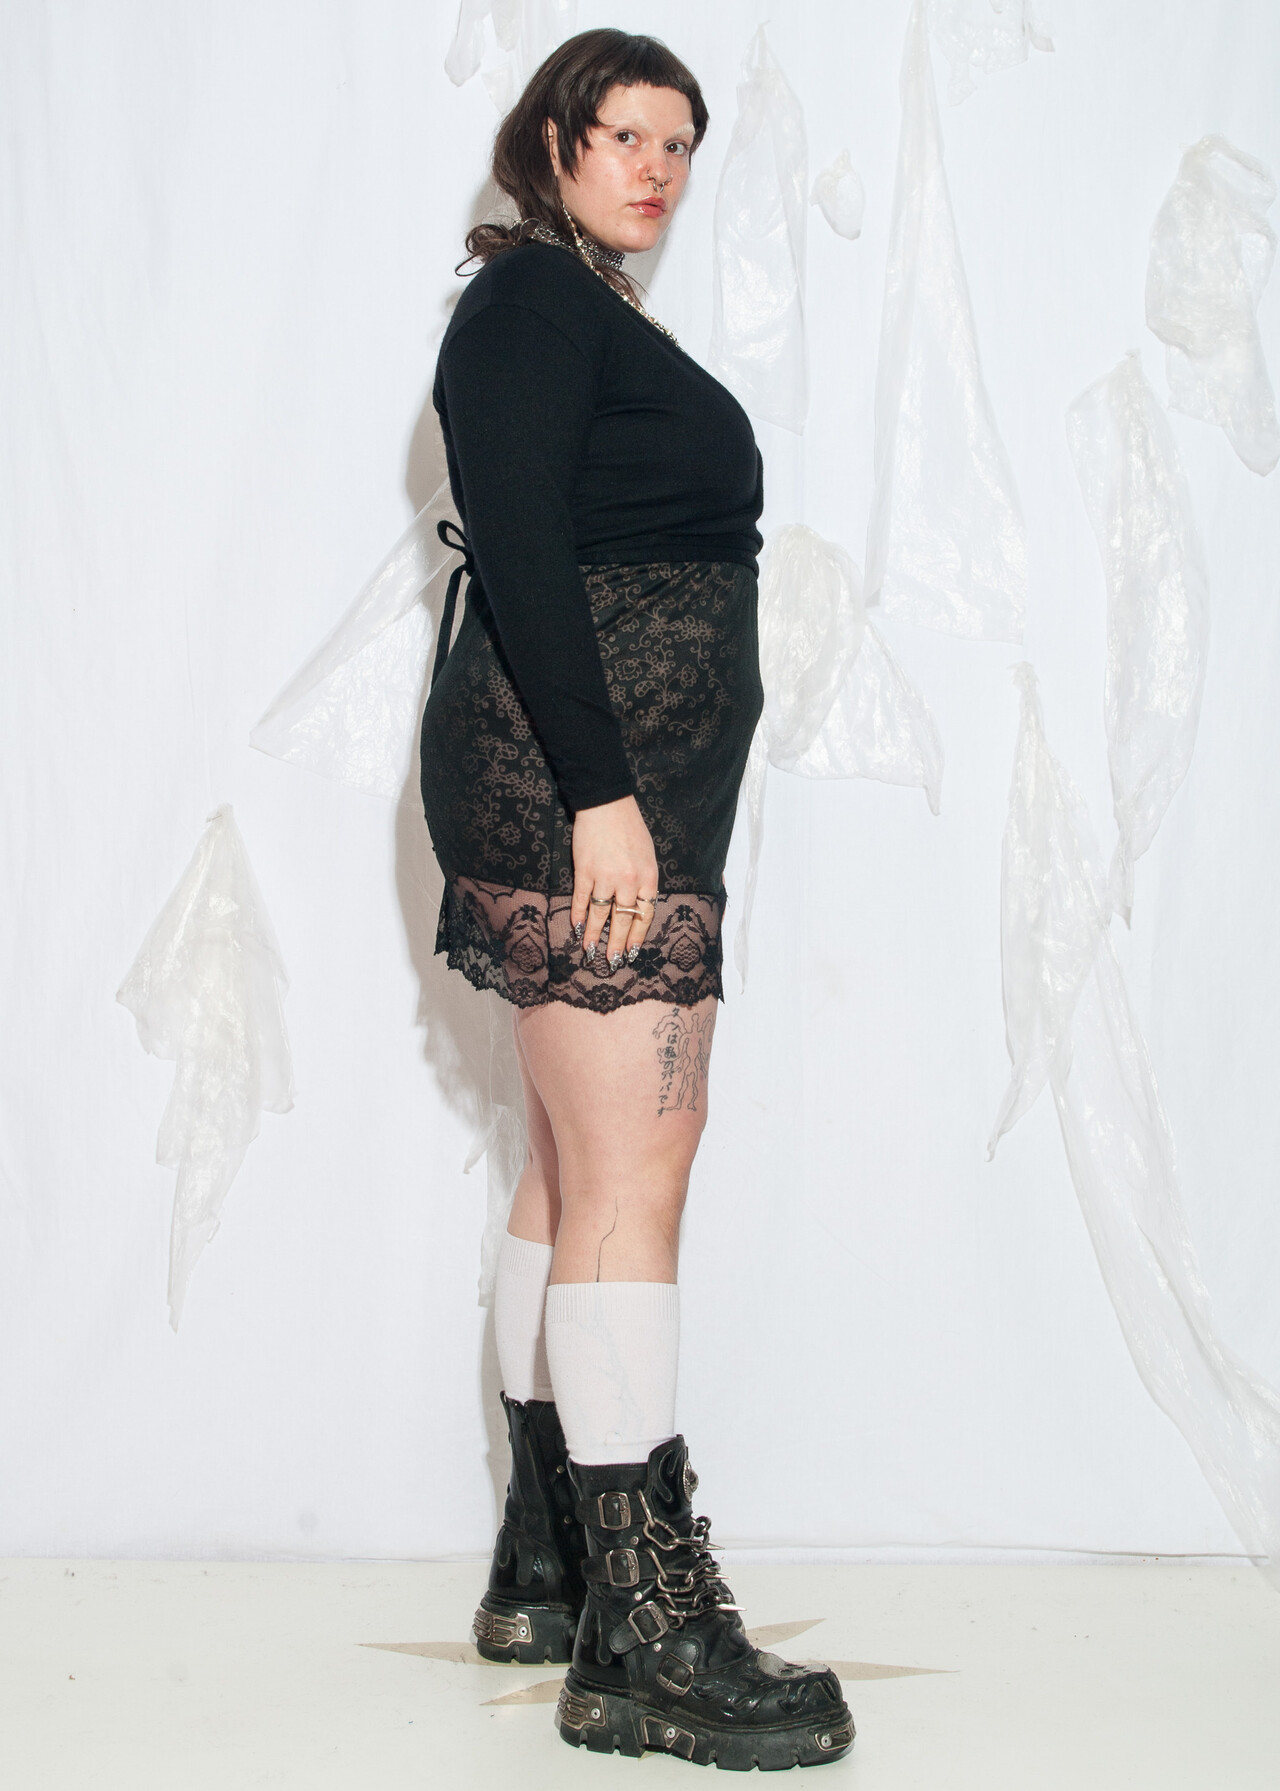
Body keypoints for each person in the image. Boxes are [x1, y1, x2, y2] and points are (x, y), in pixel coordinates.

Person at [419, 27, 853, 1771]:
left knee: (567, 1162)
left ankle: (550, 1565)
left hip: (615, 785)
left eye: (681, 142)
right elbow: (521, 539)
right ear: (553, 141)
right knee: (634, 1175)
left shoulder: (579, 306)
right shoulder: (530, 306)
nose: (658, 167)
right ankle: (647, 1636)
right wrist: (604, 795)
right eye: (625, 135)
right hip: (589, 789)